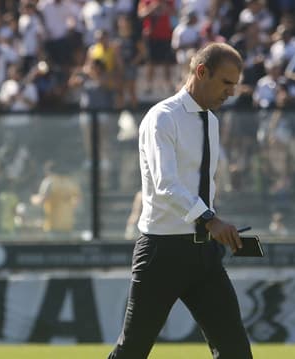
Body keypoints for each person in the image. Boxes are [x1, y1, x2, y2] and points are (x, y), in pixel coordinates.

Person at [108, 42, 252, 359]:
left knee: (235, 350)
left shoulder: (211, 121)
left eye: (235, 85)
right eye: (226, 83)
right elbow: (165, 185)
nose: (231, 92)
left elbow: (198, 188)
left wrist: (214, 225)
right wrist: (210, 220)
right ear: (201, 72)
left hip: (203, 254)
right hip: (162, 253)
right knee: (132, 350)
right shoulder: (162, 118)